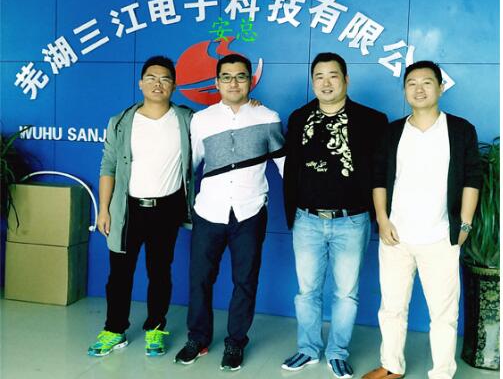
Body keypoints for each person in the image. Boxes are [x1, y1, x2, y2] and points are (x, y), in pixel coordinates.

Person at [362, 61, 481, 379]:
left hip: (441, 236)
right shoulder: (392, 132)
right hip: (396, 237)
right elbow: (379, 178)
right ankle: (391, 366)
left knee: (443, 312)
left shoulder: (460, 130)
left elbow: (472, 177)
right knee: (391, 307)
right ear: (404, 90)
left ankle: (442, 372)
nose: (419, 88)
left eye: (427, 82)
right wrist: (382, 219)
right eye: (411, 83)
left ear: (440, 87)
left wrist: (465, 223)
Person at [174, 53, 285, 371]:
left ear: (250, 80)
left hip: (250, 211)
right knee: (199, 280)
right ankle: (198, 339)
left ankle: (236, 342)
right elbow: (191, 165)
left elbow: (284, 164)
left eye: (240, 76)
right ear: (217, 81)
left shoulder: (268, 117)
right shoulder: (202, 119)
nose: (233, 83)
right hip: (209, 211)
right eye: (226, 77)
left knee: (245, 281)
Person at [282, 52, 388, 378]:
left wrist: (380, 216)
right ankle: (307, 349)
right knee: (307, 292)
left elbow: (381, 173)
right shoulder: (299, 118)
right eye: (319, 76)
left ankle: (338, 352)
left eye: (333, 75)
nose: (326, 83)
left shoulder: (372, 120)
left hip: (351, 221)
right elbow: (291, 168)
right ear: (312, 81)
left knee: (346, 293)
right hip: (307, 220)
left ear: (346, 80)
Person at [87, 56, 194, 357]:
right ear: (141, 83)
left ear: (174, 85)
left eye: (165, 79)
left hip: (167, 209)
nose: (158, 84)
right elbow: (108, 166)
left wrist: (248, 104)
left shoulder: (188, 120)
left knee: (160, 272)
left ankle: (155, 329)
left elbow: (221, 124)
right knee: (119, 275)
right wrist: (104, 209)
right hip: (127, 209)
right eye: (151, 78)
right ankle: (114, 330)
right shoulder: (121, 121)